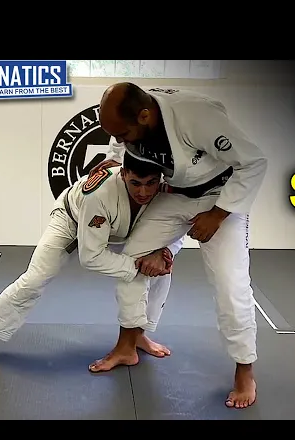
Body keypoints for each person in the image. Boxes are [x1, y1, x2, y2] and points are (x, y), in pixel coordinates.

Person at [92, 82, 268, 409]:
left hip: (221, 196)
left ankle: (245, 369)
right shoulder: (133, 120)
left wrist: (217, 214)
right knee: (132, 259)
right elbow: (119, 147)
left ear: (144, 116)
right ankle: (131, 341)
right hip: (175, 196)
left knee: (231, 286)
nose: (119, 139)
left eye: (123, 133)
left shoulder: (197, 116)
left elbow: (254, 161)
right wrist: (112, 161)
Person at [0, 153, 183, 372]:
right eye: (135, 183)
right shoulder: (99, 193)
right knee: (34, 280)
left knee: (159, 272)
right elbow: (91, 256)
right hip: (71, 220)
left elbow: (176, 227)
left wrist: (164, 253)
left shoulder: (167, 192)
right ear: (123, 174)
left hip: (119, 230)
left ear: (160, 178)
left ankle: (137, 335)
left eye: (150, 183)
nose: (143, 192)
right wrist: (136, 267)